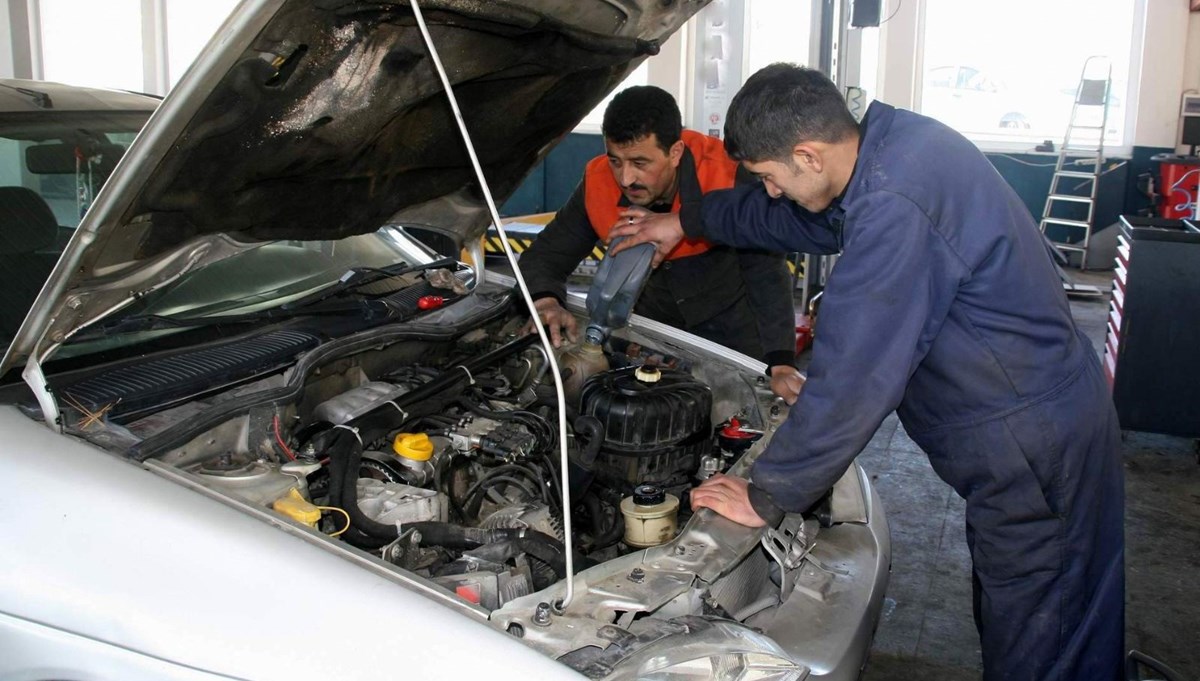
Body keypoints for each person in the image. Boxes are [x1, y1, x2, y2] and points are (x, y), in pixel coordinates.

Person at [609, 64, 1124, 681]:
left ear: (807, 153)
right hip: (1030, 425)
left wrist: (768, 492)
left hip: (1034, 443)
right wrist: (685, 222)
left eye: (771, 177)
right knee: (1030, 611)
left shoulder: (892, 205)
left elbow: (854, 373)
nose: (769, 190)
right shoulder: (890, 146)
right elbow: (792, 219)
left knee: (1050, 640)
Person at [517, 85, 803, 401]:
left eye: (640, 163)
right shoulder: (597, 181)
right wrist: (544, 300)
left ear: (675, 152)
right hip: (651, 339)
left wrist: (781, 361)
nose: (625, 179)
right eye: (616, 161)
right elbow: (547, 254)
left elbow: (766, 273)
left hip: (731, 342)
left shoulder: (727, 176)